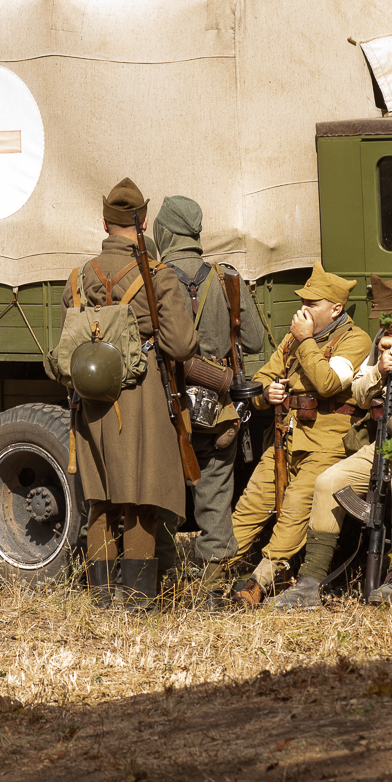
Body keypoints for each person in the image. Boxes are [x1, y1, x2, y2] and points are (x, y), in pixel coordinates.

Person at [205, 263, 372, 607]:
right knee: (250, 505)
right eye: (304, 301)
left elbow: (328, 383)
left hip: (327, 446)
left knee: (296, 510)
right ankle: (209, 578)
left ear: (336, 308)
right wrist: (266, 395)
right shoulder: (293, 338)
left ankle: (258, 584)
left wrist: (306, 340)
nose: (304, 309)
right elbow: (263, 378)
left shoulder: (354, 340)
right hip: (285, 439)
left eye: (313, 303)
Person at [66, 178, 200, 603]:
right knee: (142, 497)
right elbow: (181, 345)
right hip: (141, 397)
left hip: (92, 401)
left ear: (104, 222)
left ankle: (103, 600)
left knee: (101, 500)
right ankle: (139, 600)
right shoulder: (158, 276)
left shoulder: (78, 277)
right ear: (143, 222)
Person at [286, 272, 392, 609]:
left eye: (388, 319)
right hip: (389, 437)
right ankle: (308, 585)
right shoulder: (383, 339)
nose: (383, 326)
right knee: (329, 481)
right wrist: (377, 372)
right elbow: (357, 391)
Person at [153, 195, 266, 575]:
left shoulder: (153, 279)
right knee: (216, 493)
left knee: (164, 492)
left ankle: (165, 579)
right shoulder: (226, 277)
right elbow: (254, 341)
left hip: (167, 405)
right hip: (218, 407)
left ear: (165, 233)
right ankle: (213, 588)